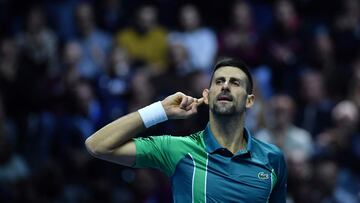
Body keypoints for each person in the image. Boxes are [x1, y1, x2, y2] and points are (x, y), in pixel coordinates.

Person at [85, 58, 287, 202]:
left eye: (235, 83)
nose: (225, 86)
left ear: (249, 100)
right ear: (206, 97)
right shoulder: (177, 149)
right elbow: (97, 145)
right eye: (219, 81)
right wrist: (160, 110)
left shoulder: (272, 158)